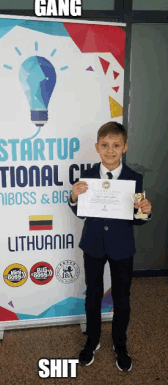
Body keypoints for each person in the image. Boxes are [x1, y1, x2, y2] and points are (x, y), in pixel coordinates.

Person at [68, 122, 152, 372]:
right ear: (97, 147)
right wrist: (73, 198)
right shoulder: (87, 177)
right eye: (105, 145)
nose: (110, 150)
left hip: (122, 247)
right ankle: (92, 341)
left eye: (116, 145)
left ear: (124, 147)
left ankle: (120, 344)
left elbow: (137, 217)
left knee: (122, 299)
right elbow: (81, 213)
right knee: (93, 295)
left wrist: (145, 212)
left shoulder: (134, 179)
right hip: (93, 245)